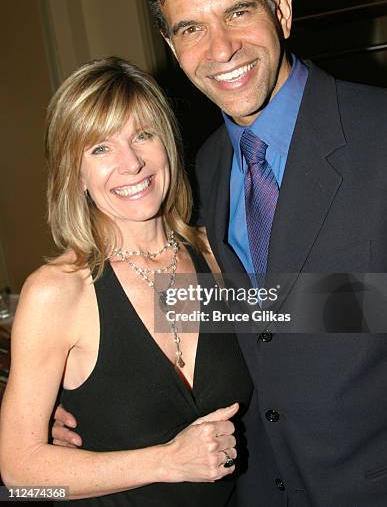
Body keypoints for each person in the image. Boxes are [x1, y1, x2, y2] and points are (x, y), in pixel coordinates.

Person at [52, 0, 387, 506]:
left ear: (283, 10)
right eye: (190, 27)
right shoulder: (197, 170)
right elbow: (217, 313)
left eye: (238, 12)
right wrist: (95, 397)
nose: (221, 49)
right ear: (170, 44)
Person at [0, 56, 252, 505]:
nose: (131, 164)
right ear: (74, 173)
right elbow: (22, 475)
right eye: (100, 149)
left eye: (142, 135)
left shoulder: (217, 254)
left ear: (167, 143)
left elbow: (328, 314)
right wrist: (167, 460)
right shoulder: (57, 293)